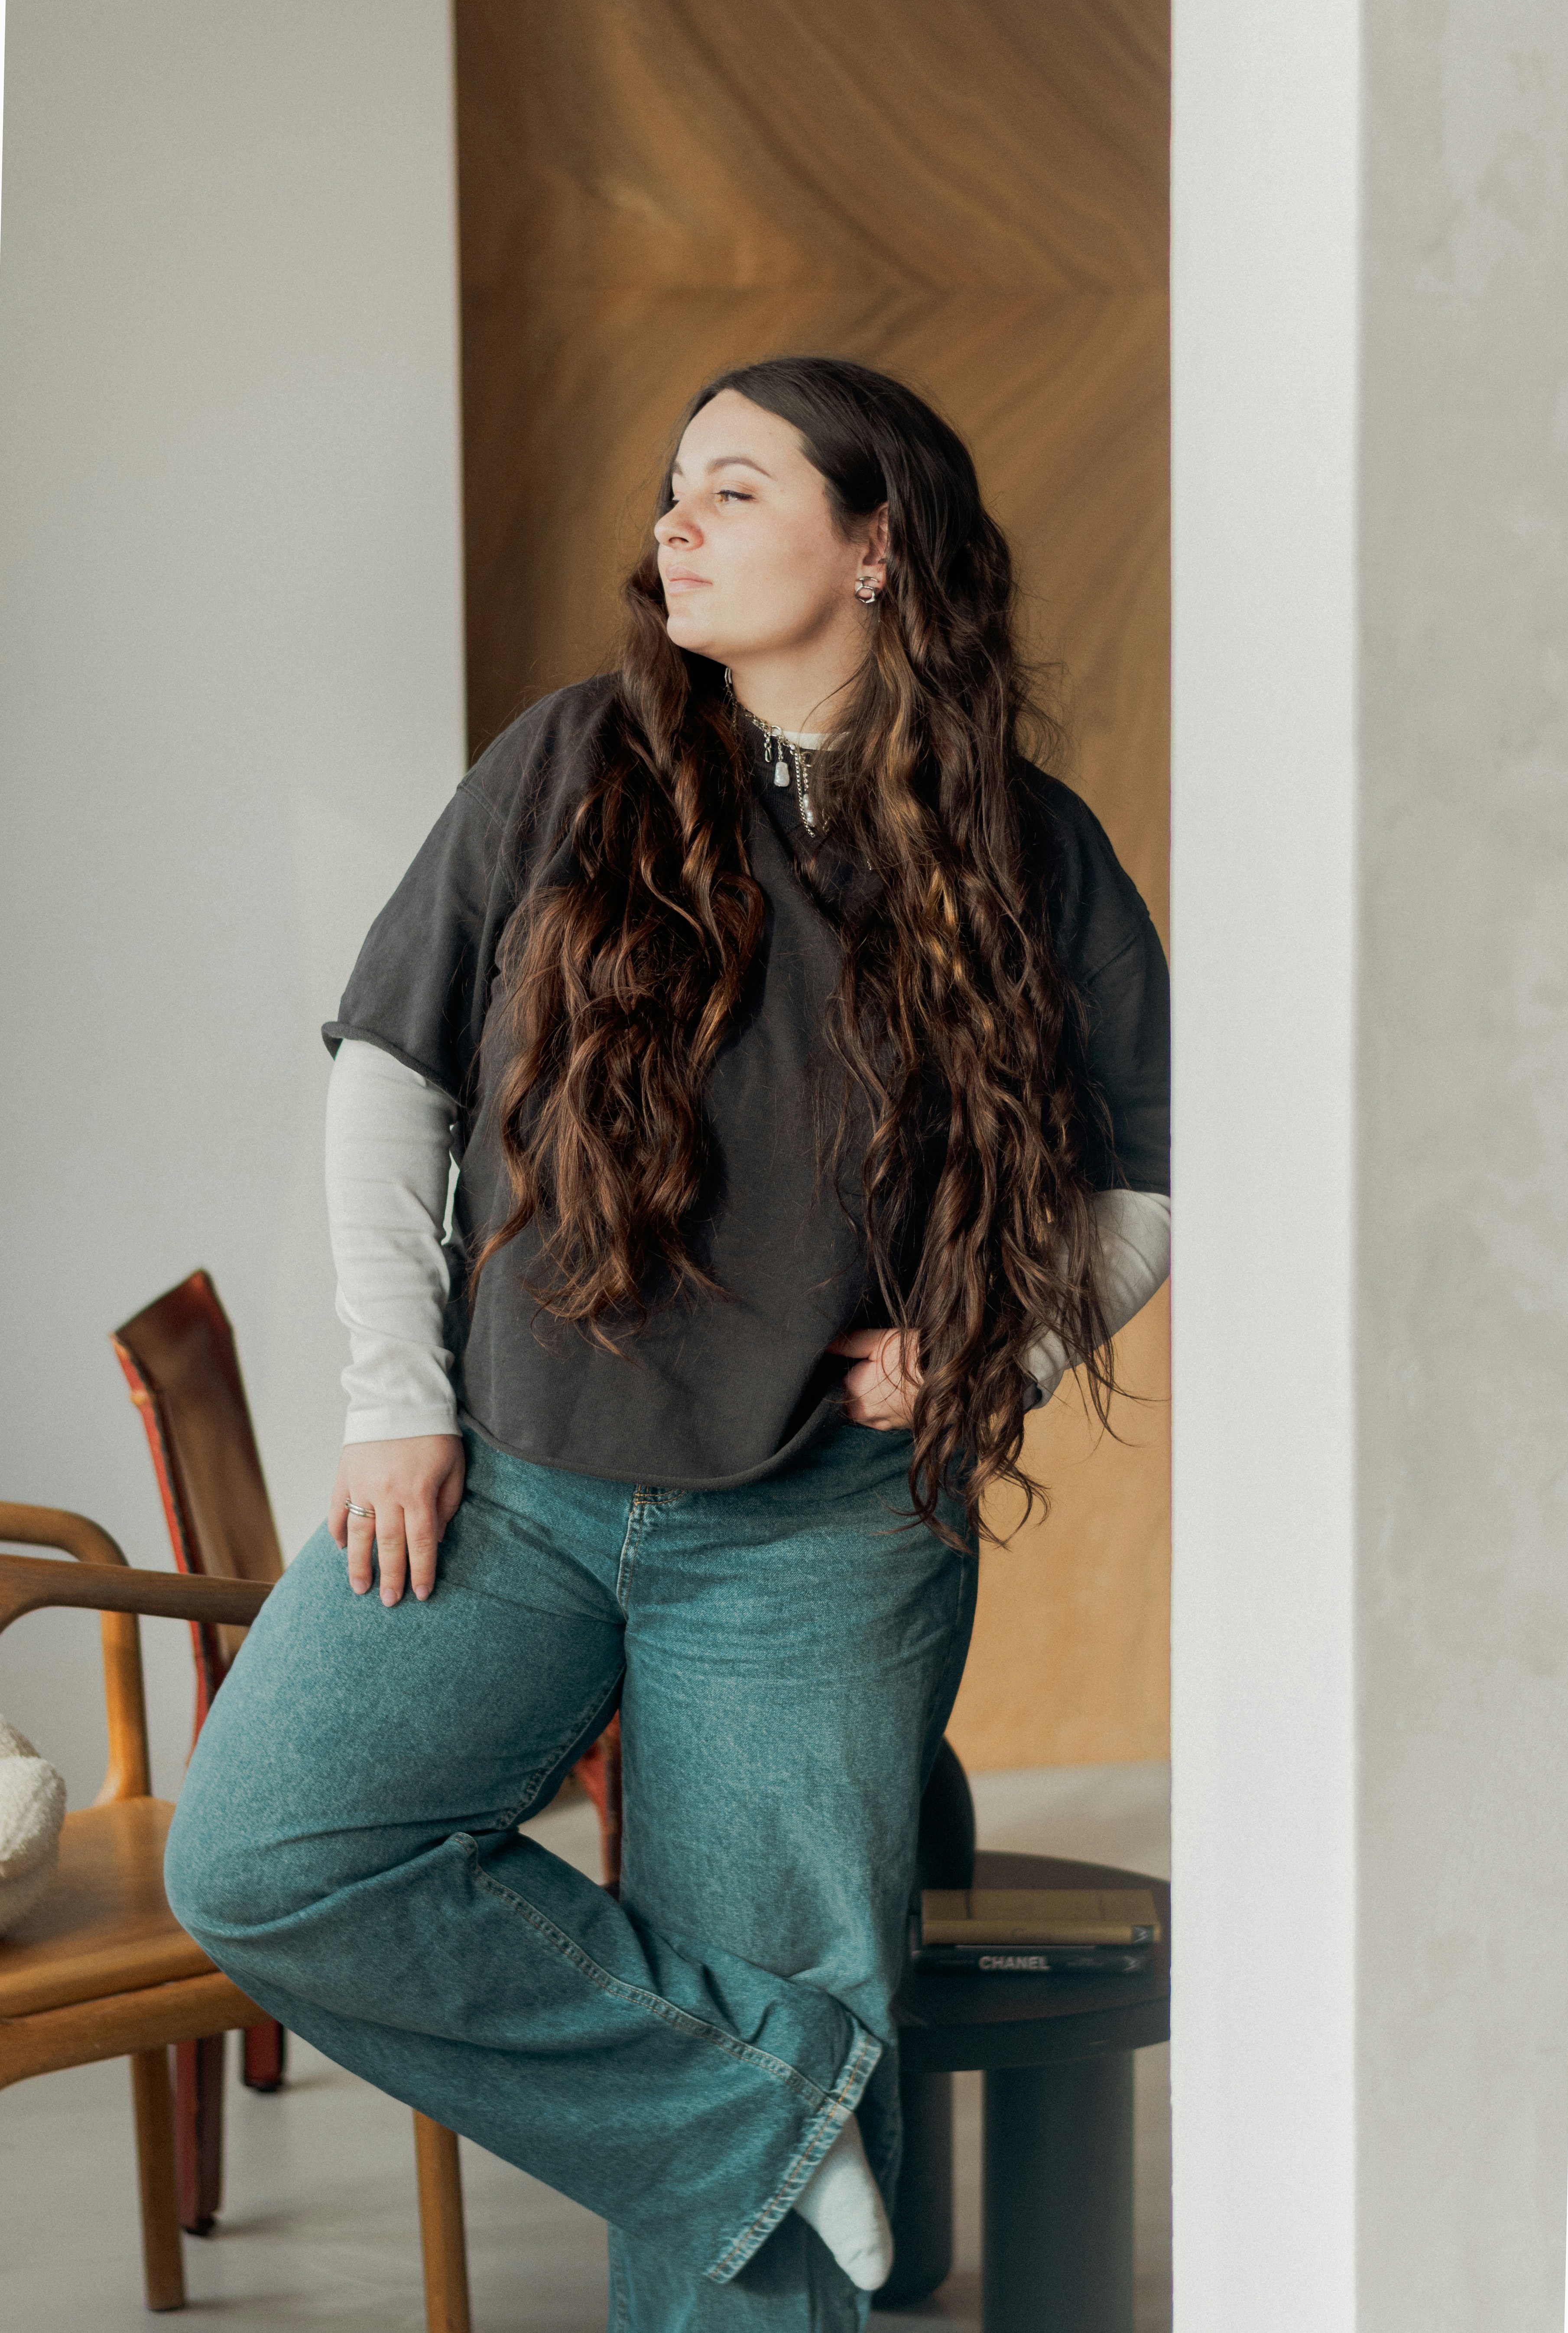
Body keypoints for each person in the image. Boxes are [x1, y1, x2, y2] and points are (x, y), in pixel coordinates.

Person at [164, 356, 1170, 2331]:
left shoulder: (1026, 848)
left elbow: (1150, 1166)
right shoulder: (564, 763)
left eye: (732, 489)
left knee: (776, 2076)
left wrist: (1000, 1348)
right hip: (513, 1475)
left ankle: (779, 2122)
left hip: (822, 1529)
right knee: (270, 1852)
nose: (672, 529)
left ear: (878, 545)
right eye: (670, 495)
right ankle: (776, 2106)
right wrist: (395, 1398)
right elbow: (394, 1075)